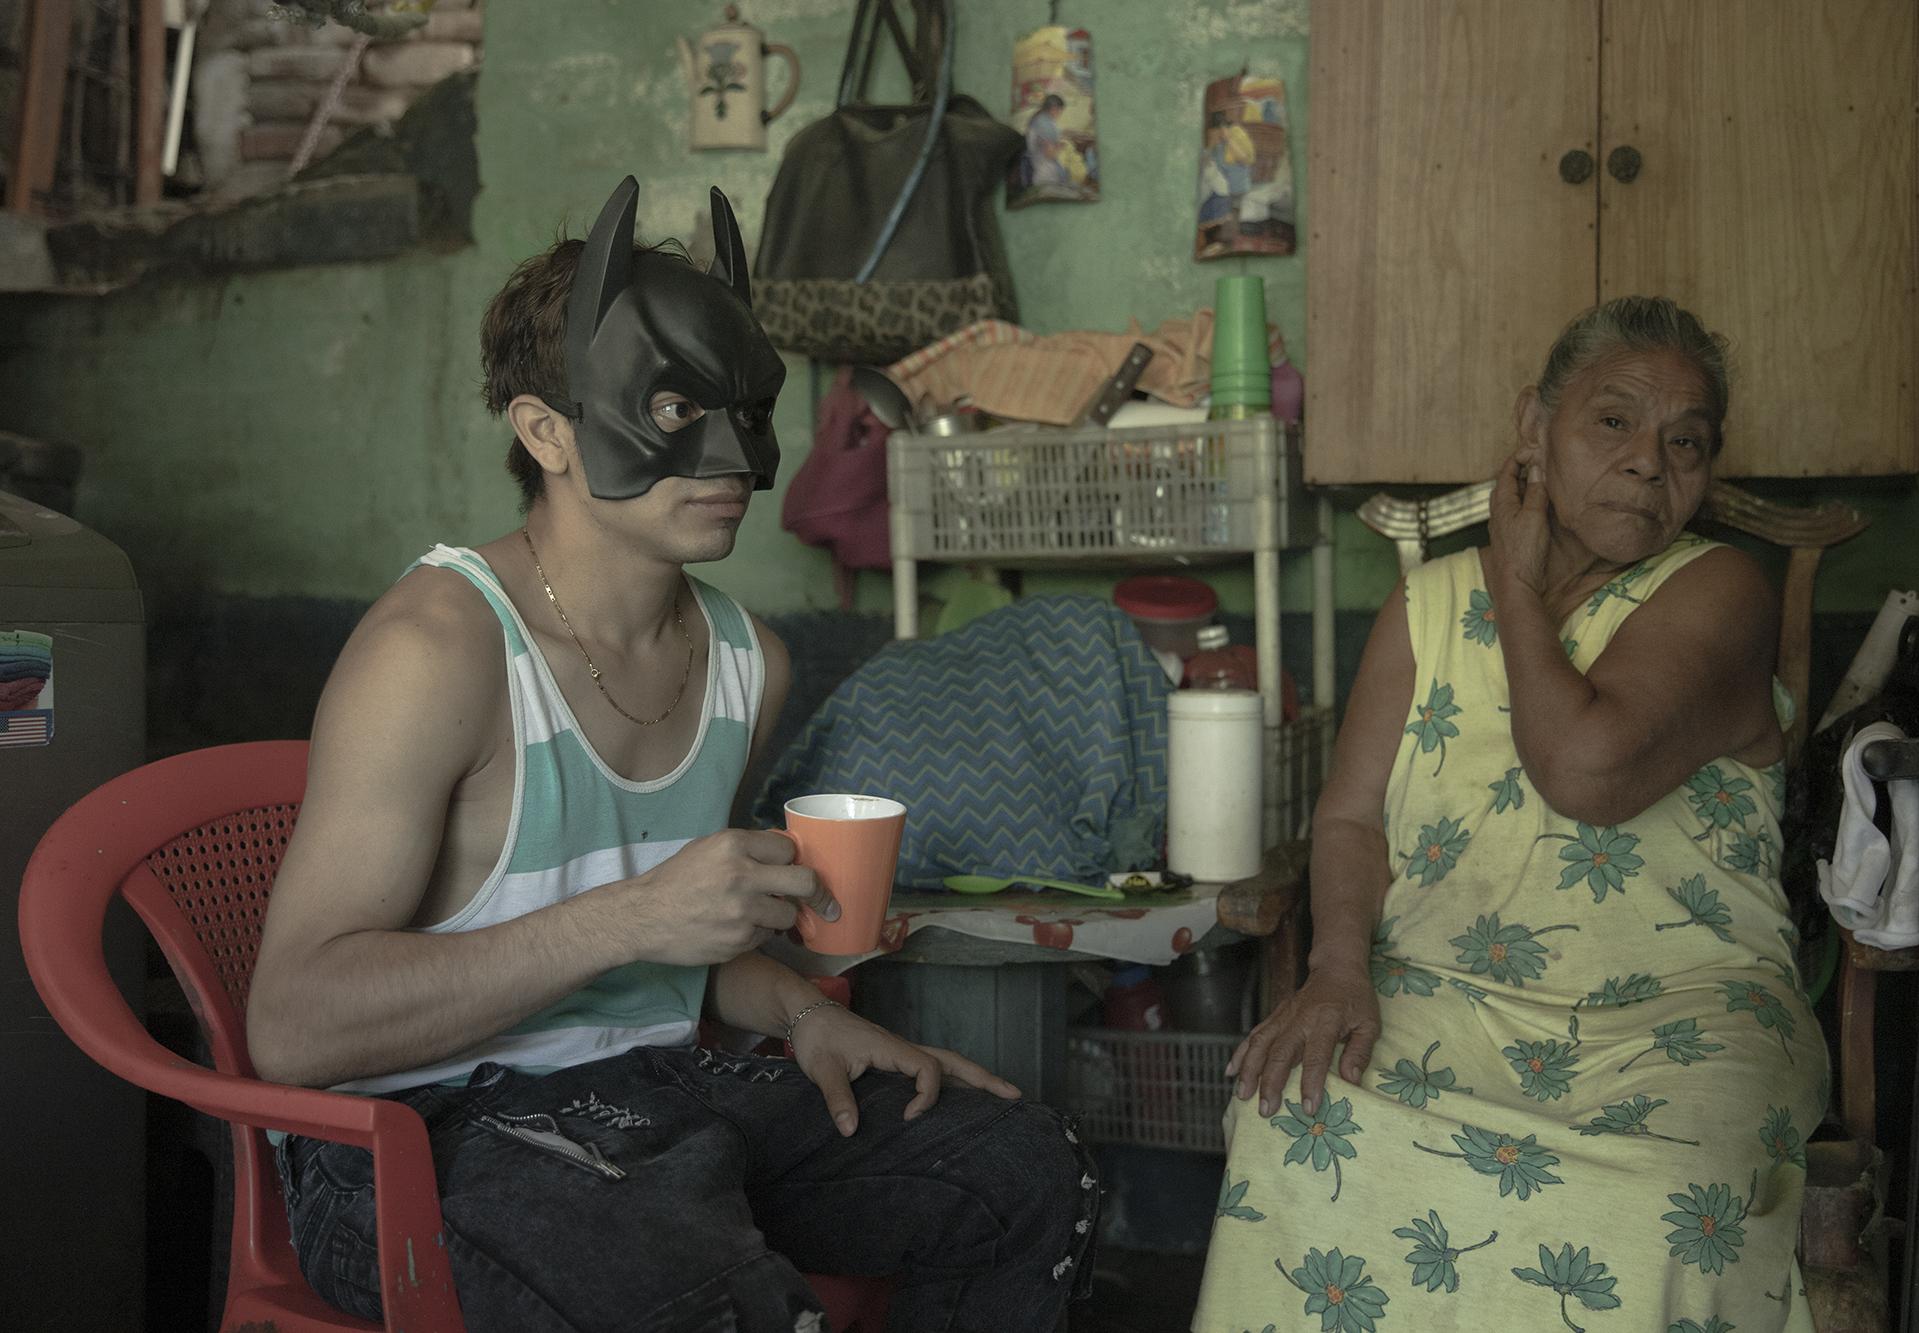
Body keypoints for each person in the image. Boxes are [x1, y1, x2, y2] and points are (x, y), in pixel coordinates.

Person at [245, 177, 1097, 1333]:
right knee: (721, 1303)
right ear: (545, 429)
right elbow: (295, 1027)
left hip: (653, 1098)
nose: (733, 457)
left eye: (748, 409)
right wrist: (632, 919)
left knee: (1026, 1169)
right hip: (417, 1135)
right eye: (666, 410)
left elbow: (677, 951)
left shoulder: (751, 660)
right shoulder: (437, 649)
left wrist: (799, 1013)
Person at [1193, 297, 1826, 1331]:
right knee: (1290, 1121)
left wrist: (1519, 588)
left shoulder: (1720, 590)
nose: (1646, 463)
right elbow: (1350, 819)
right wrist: (1335, 964)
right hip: (1447, 997)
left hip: (1683, 1016)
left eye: (1686, 441)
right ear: (1533, 427)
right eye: (1611, 421)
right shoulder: (1428, 603)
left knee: (1674, 1202)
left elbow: (1581, 769)